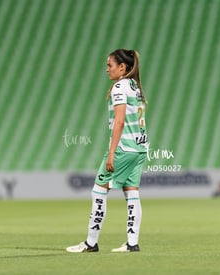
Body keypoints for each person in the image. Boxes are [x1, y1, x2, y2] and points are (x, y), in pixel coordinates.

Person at [66, 49, 149, 253]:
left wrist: (112, 153)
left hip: (124, 148)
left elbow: (119, 121)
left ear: (122, 67)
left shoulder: (120, 87)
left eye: (109, 65)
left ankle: (91, 243)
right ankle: (132, 243)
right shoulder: (135, 86)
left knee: (99, 190)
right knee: (131, 192)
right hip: (139, 148)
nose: (106, 69)